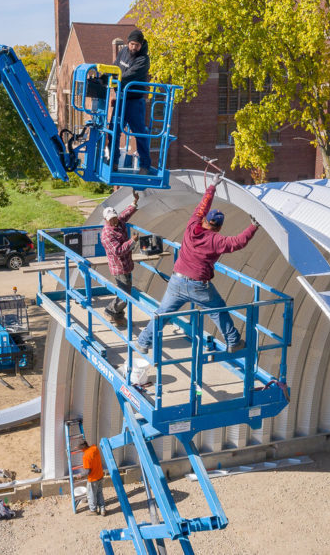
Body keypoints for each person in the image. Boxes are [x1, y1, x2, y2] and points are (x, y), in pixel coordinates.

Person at [136, 173, 259, 354]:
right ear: (218, 227)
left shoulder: (192, 226)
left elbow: (202, 207)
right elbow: (238, 242)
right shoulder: (217, 240)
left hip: (177, 281)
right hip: (199, 286)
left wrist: (212, 186)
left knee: (162, 314)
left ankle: (143, 342)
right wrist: (253, 226)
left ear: (204, 220)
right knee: (218, 309)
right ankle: (233, 342)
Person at [114, 29, 152, 174]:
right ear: (128, 42)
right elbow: (116, 66)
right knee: (114, 130)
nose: (133, 48)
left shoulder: (143, 59)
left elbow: (129, 76)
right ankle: (114, 161)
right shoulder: (123, 52)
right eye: (131, 44)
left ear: (141, 45)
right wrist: (106, 76)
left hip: (135, 101)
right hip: (121, 99)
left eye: (137, 45)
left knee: (140, 133)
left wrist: (115, 79)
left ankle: (145, 165)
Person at [100, 191, 140, 325]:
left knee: (125, 292)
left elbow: (126, 214)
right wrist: (132, 241)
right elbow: (118, 251)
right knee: (125, 296)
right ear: (106, 220)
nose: (114, 220)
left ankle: (117, 315)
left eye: (115, 217)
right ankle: (110, 311)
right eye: (111, 219)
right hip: (119, 268)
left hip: (127, 264)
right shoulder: (107, 235)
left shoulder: (119, 222)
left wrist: (134, 202)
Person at [79, 439, 106, 515]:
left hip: (93, 478)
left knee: (91, 494)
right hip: (100, 475)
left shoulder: (86, 456)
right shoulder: (95, 448)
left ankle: (93, 510)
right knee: (99, 492)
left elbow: (88, 471)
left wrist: (80, 475)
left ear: (82, 448)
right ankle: (102, 509)